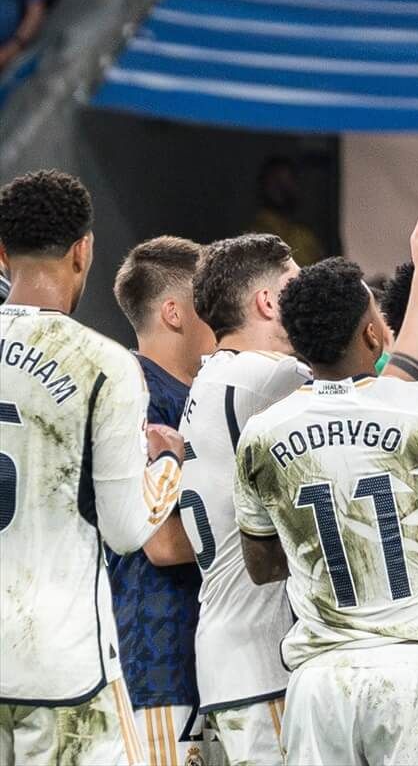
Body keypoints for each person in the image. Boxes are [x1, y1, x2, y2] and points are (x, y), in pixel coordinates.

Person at [233, 255, 418, 765]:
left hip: (319, 683)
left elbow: (261, 566)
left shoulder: (262, 434)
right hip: (412, 672)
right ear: (374, 335)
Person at [0, 170, 183, 765]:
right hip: (61, 666)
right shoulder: (102, 364)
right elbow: (128, 530)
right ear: (85, 250)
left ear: (1, 253)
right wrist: (164, 464)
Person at [179, 233, 307, 765]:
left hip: (232, 654)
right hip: (262, 662)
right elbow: (382, 394)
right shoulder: (266, 376)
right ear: (269, 301)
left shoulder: (215, 378)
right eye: (298, 286)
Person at [106, 237, 215, 766]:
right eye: (211, 299)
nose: (224, 310)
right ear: (174, 311)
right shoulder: (133, 394)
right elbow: (163, 543)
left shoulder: (212, 388)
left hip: (215, 660)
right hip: (161, 658)